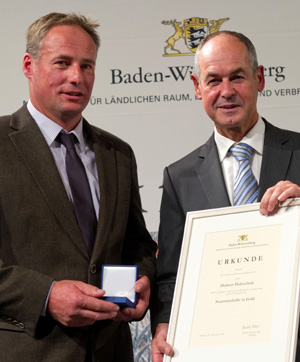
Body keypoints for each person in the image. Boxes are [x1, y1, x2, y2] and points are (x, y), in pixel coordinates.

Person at [0, 12, 157, 362]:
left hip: (110, 352)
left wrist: (142, 278)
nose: (76, 77)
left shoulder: (117, 152)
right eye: (62, 62)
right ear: (29, 65)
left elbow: (137, 241)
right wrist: (46, 295)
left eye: (87, 66)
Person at [151, 30, 300, 362]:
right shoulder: (179, 177)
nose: (226, 92)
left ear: (259, 78)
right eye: (213, 80)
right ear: (197, 87)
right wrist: (163, 324)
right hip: (216, 350)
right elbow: (171, 275)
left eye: (238, 77)